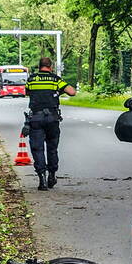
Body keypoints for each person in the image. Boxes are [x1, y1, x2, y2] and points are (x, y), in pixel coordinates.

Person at [24, 56, 76, 190]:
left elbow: (27, 93)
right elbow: (72, 92)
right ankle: (52, 175)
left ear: (39, 66)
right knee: (52, 148)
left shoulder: (31, 79)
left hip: (35, 118)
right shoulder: (55, 79)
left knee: (37, 149)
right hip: (52, 119)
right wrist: (58, 91)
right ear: (50, 66)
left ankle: (42, 180)